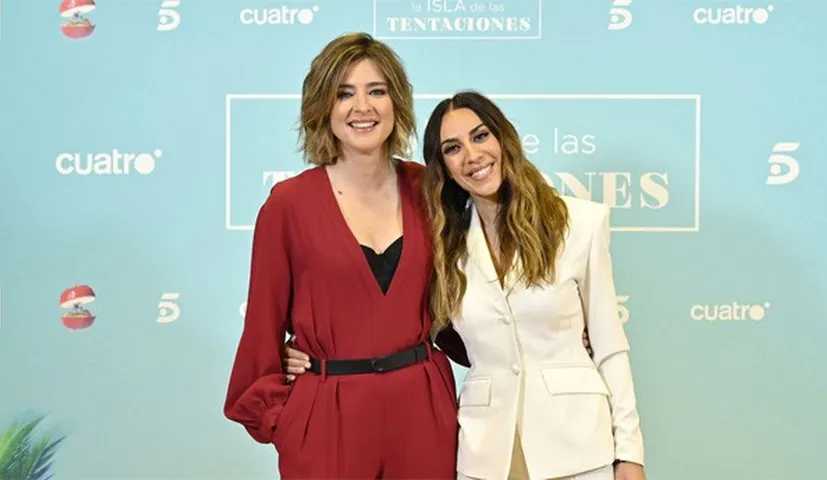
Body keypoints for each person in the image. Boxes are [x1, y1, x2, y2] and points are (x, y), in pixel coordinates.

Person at [285, 91, 646, 480]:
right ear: (443, 167)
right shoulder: (443, 245)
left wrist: (629, 453)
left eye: (481, 136)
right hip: (483, 452)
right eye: (453, 148)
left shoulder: (581, 224)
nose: (472, 155)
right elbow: (391, 317)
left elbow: (610, 347)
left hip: (578, 448)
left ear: (503, 139)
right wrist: (300, 351)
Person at [223, 33, 458, 479]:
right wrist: (289, 420)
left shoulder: (431, 190)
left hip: (423, 414)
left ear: (397, 102)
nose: (362, 107)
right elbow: (261, 326)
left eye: (377, 91)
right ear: (323, 107)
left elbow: (470, 297)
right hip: (327, 417)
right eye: (344, 93)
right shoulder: (288, 205)